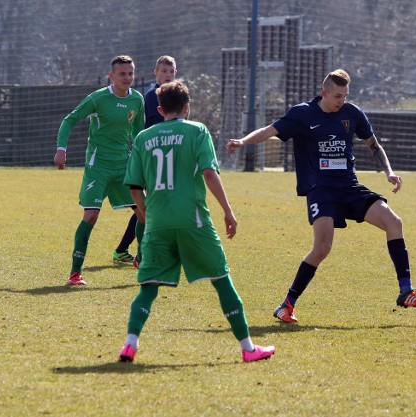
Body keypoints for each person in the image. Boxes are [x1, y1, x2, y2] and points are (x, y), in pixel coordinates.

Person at [226, 69, 416, 324]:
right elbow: (270, 130)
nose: (341, 101)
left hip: (349, 187)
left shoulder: (352, 113)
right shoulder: (302, 114)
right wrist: (243, 142)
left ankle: (406, 291)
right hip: (321, 190)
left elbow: (373, 144)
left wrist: (389, 172)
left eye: (344, 96)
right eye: (337, 96)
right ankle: (286, 305)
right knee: (322, 248)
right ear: (324, 93)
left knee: (394, 223)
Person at [119, 81, 275, 363]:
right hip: (194, 221)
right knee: (221, 278)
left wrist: (147, 217)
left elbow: (133, 189)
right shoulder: (197, 131)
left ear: (159, 109)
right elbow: (209, 173)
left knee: (148, 287)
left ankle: (130, 343)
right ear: (187, 108)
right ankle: (249, 348)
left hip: (158, 223)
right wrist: (228, 211)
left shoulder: (143, 138)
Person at [54, 55, 145, 286]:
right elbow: (69, 120)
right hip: (99, 166)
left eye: (130, 73)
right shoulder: (98, 98)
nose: (127, 78)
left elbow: (138, 131)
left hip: (124, 165)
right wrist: (61, 148)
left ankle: (143, 261)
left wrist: (142, 159)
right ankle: (75, 273)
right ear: (111, 75)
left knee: (145, 212)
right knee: (91, 215)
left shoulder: (137, 100)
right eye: (122, 74)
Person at [125, 55, 178, 269]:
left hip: (173, 157)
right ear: (155, 73)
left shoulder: (179, 95)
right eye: (163, 71)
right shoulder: (151, 96)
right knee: (147, 207)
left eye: (171, 71)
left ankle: (146, 252)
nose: (167, 75)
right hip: (154, 157)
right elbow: (152, 128)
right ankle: (141, 254)